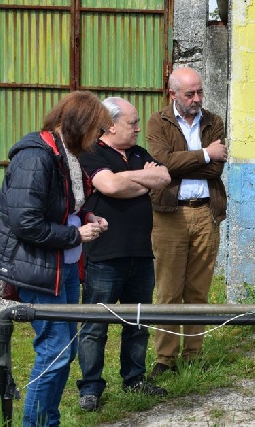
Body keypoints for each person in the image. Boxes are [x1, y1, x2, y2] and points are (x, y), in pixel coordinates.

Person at [0, 91, 110, 426]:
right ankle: (35, 423)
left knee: (64, 352)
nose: (98, 140)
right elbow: (25, 222)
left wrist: (86, 217)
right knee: (53, 351)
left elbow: (69, 203)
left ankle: (49, 421)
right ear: (79, 126)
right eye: (96, 131)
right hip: (38, 269)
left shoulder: (66, 154)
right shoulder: (36, 157)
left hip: (61, 268)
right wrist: (76, 235)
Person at [76, 97, 171, 411]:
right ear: (111, 125)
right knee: (94, 325)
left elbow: (164, 177)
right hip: (105, 255)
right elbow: (110, 187)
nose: (138, 129)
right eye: (132, 123)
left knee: (138, 322)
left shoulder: (139, 153)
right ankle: (90, 388)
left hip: (141, 255)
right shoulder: (90, 153)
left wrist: (126, 179)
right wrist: (142, 179)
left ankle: (135, 380)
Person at [146, 67, 228, 378]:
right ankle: (165, 358)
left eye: (199, 92)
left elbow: (215, 171)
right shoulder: (158, 121)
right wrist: (206, 153)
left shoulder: (213, 120)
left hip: (206, 212)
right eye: (189, 94)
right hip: (170, 214)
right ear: (173, 94)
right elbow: (162, 163)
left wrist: (189, 161)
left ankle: (193, 354)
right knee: (168, 289)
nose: (196, 99)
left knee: (198, 289)